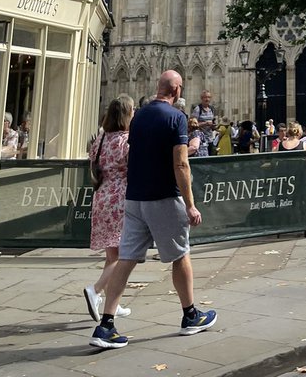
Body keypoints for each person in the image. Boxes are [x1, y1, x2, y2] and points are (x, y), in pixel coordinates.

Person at [88, 70, 217, 350]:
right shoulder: (176, 118)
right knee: (181, 255)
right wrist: (191, 205)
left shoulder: (139, 117)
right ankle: (190, 315)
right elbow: (180, 165)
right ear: (177, 90)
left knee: (126, 258)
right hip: (163, 197)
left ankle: (106, 324)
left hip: (134, 199)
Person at [84, 95, 135, 324]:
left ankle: (113, 302)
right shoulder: (127, 140)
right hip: (120, 200)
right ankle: (94, 290)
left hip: (102, 197)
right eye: (132, 111)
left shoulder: (101, 140)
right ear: (126, 115)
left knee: (112, 254)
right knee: (123, 255)